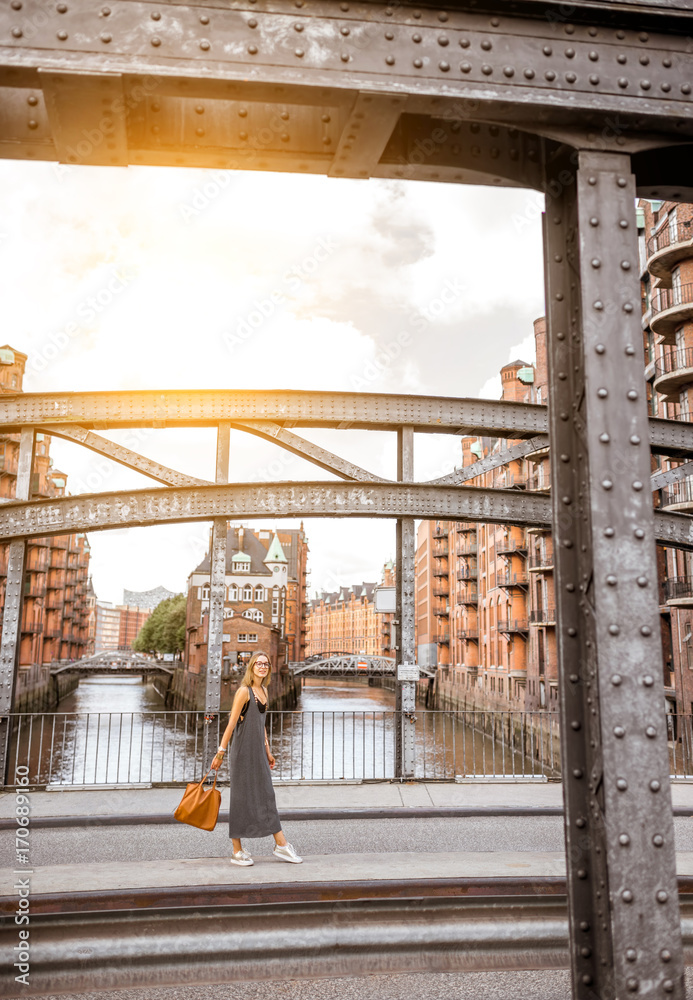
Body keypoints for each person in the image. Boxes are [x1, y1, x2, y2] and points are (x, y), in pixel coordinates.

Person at [210, 651, 302, 866]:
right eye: (258, 663)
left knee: (266, 795)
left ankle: (281, 846)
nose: (263, 667)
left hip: (258, 751)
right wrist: (220, 752)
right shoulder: (244, 691)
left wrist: (268, 750)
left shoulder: (264, 691)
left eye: (266, 664)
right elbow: (231, 724)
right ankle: (237, 851)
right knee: (240, 798)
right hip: (242, 751)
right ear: (251, 667)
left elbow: (262, 726)